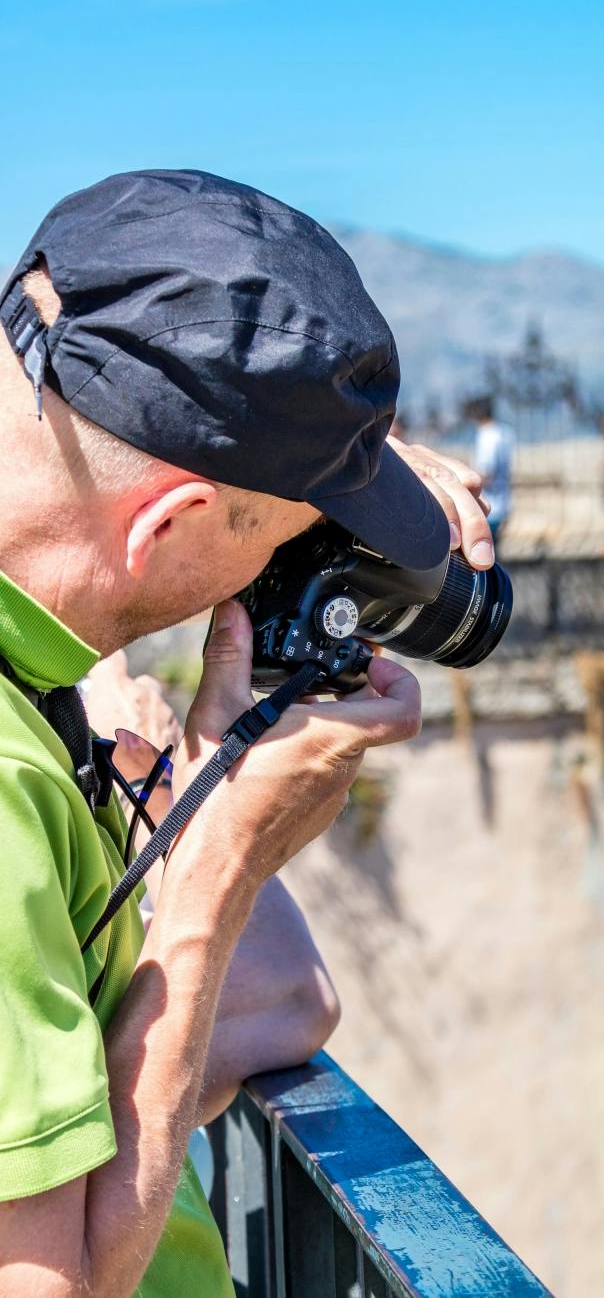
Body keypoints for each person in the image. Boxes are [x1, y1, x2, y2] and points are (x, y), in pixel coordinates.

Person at [0, 171, 491, 1297]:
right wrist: (217, 862)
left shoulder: (46, 676)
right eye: (283, 539)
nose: (290, 565)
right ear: (170, 519)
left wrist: (323, 452)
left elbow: (285, 996)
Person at [466, 394, 515, 548]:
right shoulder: (505, 432)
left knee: (484, 554)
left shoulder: (487, 436)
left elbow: (486, 474)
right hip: (503, 503)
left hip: (488, 506)